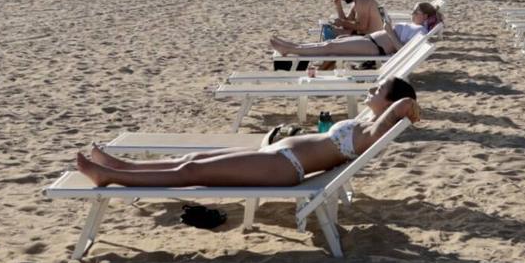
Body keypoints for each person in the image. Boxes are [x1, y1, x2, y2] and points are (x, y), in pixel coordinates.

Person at [75, 78, 419, 188]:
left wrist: (404, 100)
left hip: (286, 167)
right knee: (191, 159)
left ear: (388, 101)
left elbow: (404, 104)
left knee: (192, 173)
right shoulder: (362, 120)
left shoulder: (372, 130)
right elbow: (394, 103)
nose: (372, 89)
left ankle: (109, 177)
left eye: (379, 88)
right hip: (278, 154)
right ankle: (123, 167)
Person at [271, 2, 441, 59]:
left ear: (425, 16)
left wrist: (389, 31)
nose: (411, 14)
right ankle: (294, 46)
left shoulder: (421, 33)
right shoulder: (417, 28)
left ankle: (291, 49)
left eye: (415, 12)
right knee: (332, 43)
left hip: (375, 47)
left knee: (331, 47)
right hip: (371, 41)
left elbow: (404, 53)